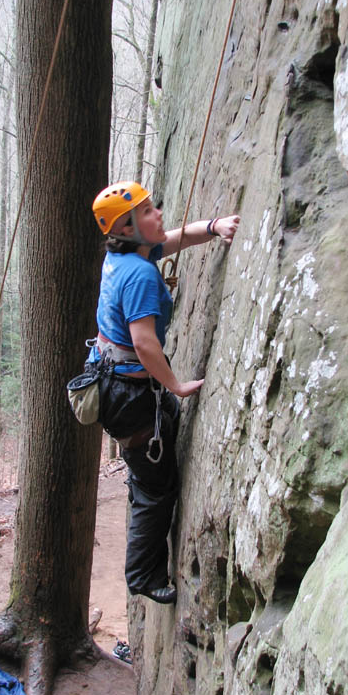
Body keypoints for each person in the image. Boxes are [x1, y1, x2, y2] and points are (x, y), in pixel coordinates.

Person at [89, 181, 239, 604]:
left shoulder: (127, 253)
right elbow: (145, 343)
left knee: (152, 460)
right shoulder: (137, 274)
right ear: (126, 227)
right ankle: (142, 577)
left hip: (122, 386)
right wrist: (175, 384)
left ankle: (146, 460)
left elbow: (171, 240)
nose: (158, 215)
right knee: (157, 487)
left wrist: (212, 227)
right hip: (129, 395)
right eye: (148, 211)